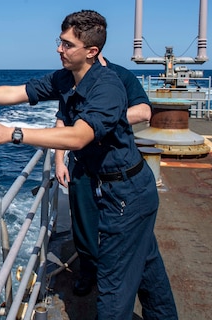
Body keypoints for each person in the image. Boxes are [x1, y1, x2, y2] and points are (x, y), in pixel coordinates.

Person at [0, 9, 177, 319]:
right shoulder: (65, 78)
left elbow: (78, 138)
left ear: (91, 52)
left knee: (113, 289)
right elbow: (15, 92)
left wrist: (14, 133)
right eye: (60, 41)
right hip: (113, 187)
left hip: (126, 193)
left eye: (68, 44)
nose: (59, 49)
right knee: (148, 267)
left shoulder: (108, 87)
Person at [54, 55, 152, 296]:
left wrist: (99, 121)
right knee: (83, 223)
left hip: (113, 168)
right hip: (80, 165)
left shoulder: (120, 75)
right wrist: (59, 160)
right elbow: (61, 122)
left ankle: (114, 274)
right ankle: (88, 271)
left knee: (117, 225)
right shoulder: (71, 79)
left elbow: (144, 111)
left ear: (92, 51)